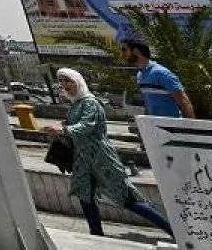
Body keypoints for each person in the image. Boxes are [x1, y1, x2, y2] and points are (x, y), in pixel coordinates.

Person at [44, 67, 173, 237]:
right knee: (85, 196)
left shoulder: (90, 103)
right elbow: (72, 128)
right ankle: (96, 234)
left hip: (101, 158)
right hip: (82, 161)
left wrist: (63, 130)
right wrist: (59, 132)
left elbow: (87, 126)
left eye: (68, 81)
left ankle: (173, 230)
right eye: (61, 81)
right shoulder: (75, 105)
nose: (64, 85)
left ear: (78, 82)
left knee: (127, 198)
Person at [121, 40, 194, 119]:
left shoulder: (160, 73)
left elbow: (183, 100)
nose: (123, 53)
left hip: (171, 124)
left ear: (136, 52)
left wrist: (191, 125)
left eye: (125, 50)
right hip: (154, 124)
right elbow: (148, 103)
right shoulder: (140, 75)